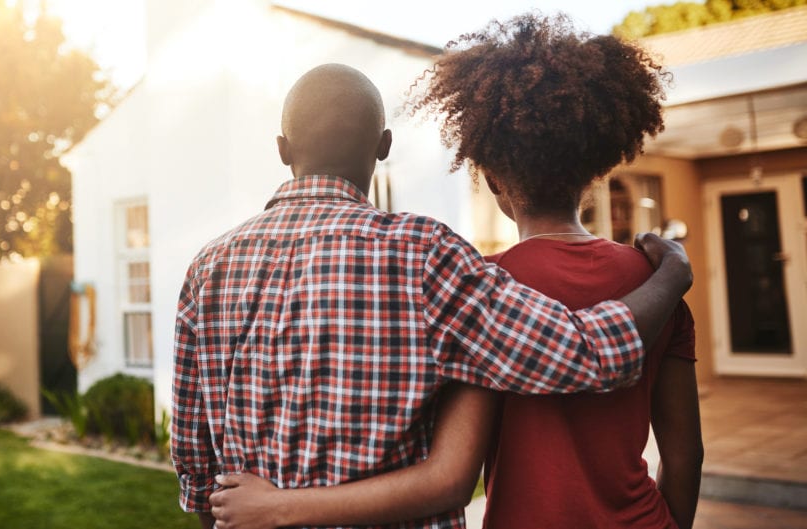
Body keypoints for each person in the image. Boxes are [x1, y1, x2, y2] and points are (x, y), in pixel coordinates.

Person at [206, 13, 703, 529]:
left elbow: (200, 470)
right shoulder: (651, 288)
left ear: (490, 179)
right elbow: (685, 454)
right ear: (594, 167)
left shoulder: (479, 281)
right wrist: (671, 273)